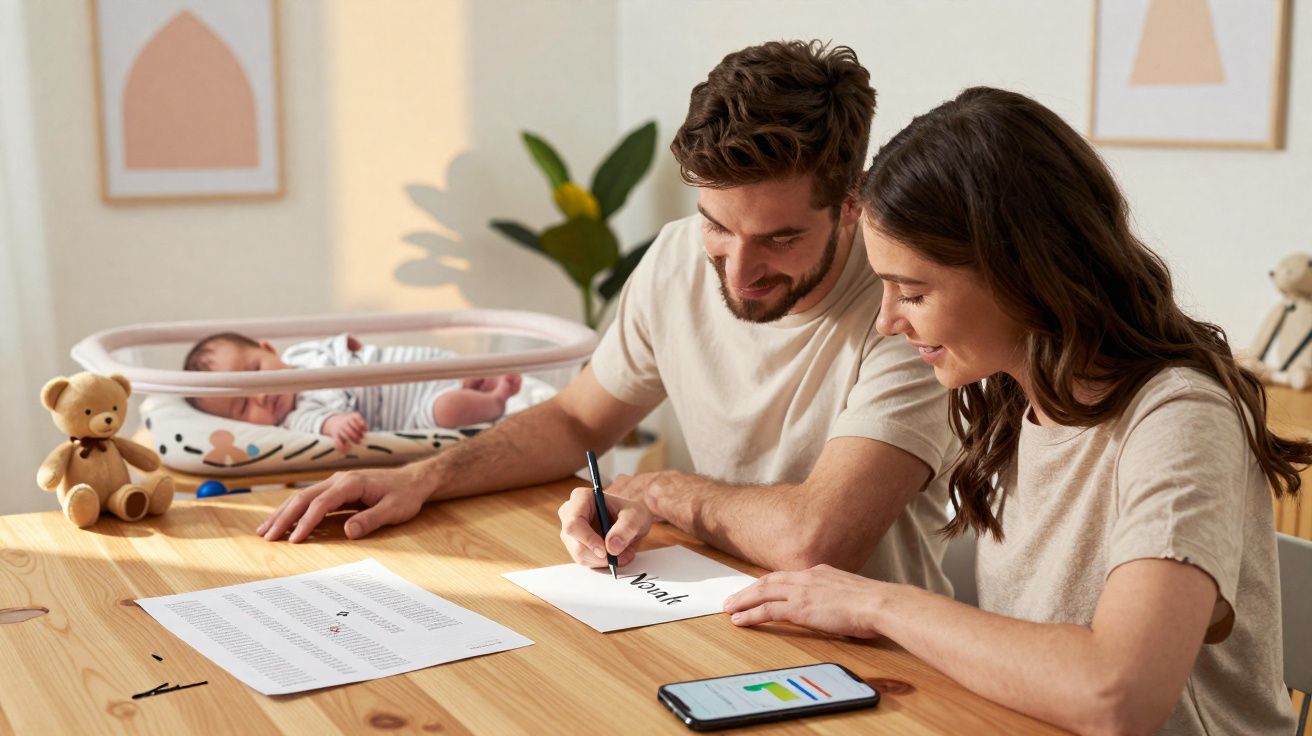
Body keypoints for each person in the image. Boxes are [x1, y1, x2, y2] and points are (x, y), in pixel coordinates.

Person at [258, 40, 957, 596]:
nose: (739, 273)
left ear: (851, 204)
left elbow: (816, 541)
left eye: (779, 239)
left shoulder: (909, 310)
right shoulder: (678, 257)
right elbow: (575, 422)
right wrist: (423, 478)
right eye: (718, 225)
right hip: (711, 611)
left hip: (879, 666)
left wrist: (661, 489)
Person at [723, 87, 1304, 735]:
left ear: (1018, 271)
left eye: (911, 292)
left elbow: (1118, 696)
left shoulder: (1179, 418)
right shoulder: (1014, 399)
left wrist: (878, 604)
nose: (888, 321)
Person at [183, 332, 522, 453]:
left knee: (449, 365)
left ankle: (474, 378)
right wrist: (338, 425)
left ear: (268, 349)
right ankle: (493, 401)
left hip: (412, 366)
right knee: (448, 409)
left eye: (256, 371)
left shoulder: (301, 355)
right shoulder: (295, 419)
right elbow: (323, 424)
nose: (261, 395)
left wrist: (345, 344)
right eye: (243, 407)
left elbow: (330, 346)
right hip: (415, 407)